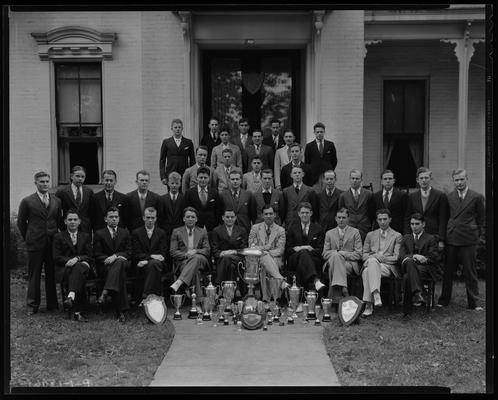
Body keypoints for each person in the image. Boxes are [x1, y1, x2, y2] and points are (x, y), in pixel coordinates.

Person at [437, 169, 485, 310]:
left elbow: (481, 219)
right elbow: (444, 218)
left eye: (461, 179)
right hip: (452, 237)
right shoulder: (449, 197)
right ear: (453, 181)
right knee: (448, 270)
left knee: (470, 271)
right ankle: (444, 300)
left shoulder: (476, 197)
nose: (459, 182)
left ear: (466, 179)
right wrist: (443, 238)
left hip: (468, 238)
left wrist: (477, 234)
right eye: (456, 180)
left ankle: (474, 302)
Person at [17, 171, 62, 315]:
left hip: (52, 242)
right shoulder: (27, 201)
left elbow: (58, 221)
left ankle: (52, 305)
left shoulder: (56, 201)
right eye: (41, 181)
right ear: (35, 183)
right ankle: (32, 305)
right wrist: (29, 237)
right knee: (34, 274)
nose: (45, 184)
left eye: (47, 181)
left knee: (51, 274)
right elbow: (21, 223)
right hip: (35, 243)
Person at [53, 209, 95, 322]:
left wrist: (77, 259)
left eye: (75, 219)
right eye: (70, 219)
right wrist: (70, 261)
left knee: (78, 268)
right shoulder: (58, 236)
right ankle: (78, 311)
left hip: (84, 268)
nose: (72, 222)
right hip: (66, 269)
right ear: (65, 221)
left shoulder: (85, 236)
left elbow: (90, 256)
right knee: (77, 270)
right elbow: (56, 257)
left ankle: (71, 296)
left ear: (79, 222)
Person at [360, 209, 402, 317]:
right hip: (372, 262)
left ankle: (369, 305)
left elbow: (396, 257)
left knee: (367, 271)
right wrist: (374, 256)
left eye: (385, 219)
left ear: (390, 220)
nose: (382, 222)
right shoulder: (370, 235)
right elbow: (364, 255)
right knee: (371, 264)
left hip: (387, 266)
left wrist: (381, 258)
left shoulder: (397, 235)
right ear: (377, 221)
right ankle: (376, 294)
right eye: (380, 219)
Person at [93, 206, 131, 323]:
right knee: (119, 275)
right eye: (111, 217)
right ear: (105, 219)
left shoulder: (124, 232)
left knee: (119, 262)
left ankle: (105, 292)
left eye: (116, 217)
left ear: (119, 219)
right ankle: (121, 311)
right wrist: (108, 259)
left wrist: (115, 256)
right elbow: (97, 254)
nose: (114, 219)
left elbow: (129, 252)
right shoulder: (99, 233)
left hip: (124, 263)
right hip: (106, 266)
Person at [399, 213, 440, 316]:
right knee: (409, 261)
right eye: (412, 224)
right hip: (407, 264)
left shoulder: (431, 238)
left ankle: (407, 310)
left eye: (417, 224)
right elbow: (401, 256)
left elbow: (434, 257)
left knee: (407, 276)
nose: (414, 226)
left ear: (423, 224)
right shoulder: (406, 238)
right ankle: (418, 292)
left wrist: (424, 258)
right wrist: (414, 256)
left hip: (424, 268)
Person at [248, 205, 289, 302]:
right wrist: (264, 249)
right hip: (257, 259)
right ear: (262, 215)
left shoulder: (280, 230)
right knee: (263, 262)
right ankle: (276, 296)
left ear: (275, 215)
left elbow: (280, 250)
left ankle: (266, 299)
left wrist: (265, 252)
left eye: (271, 214)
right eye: (266, 214)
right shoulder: (255, 228)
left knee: (265, 262)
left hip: (276, 258)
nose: (268, 216)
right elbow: (251, 246)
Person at [322, 208, 363, 306]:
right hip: (332, 262)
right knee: (336, 257)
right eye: (339, 217)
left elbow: (358, 254)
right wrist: (337, 253)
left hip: (349, 264)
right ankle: (344, 289)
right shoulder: (329, 233)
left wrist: (341, 254)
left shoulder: (355, 232)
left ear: (348, 219)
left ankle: (335, 297)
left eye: (343, 218)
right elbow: (324, 254)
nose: (341, 220)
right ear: (335, 219)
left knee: (336, 258)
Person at [285, 202, 326, 296]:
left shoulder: (318, 228)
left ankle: (300, 299)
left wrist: (308, 250)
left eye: (307, 212)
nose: (304, 215)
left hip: (313, 259)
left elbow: (320, 250)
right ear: (298, 214)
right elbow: (288, 249)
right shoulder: (292, 228)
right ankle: (315, 280)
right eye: (302, 212)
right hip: (294, 258)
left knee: (303, 258)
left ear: (311, 213)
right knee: (303, 253)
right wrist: (303, 248)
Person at [169, 207, 211, 298]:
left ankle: (180, 281)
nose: (190, 219)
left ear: (196, 219)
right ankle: (197, 302)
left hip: (201, 261)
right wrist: (186, 255)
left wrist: (195, 251)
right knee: (195, 271)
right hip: (183, 261)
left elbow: (207, 250)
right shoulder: (176, 232)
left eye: (193, 217)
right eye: (188, 217)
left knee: (196, 257)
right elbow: (173, 251)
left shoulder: (202, 232)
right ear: (184, 219)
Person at [405, 167, 449, 253]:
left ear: (430, 179)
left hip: (434, 236)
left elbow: (443, 219)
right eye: (421, 178)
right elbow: (407, 217)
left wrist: (441, 239)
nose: (424, 180)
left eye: (426, 178)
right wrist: (407, 236)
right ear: (417, 180)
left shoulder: (440, 195)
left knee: (432, 262)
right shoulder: (412, 196)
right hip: (416, 236)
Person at [131, 207, 168, 304]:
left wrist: (147, 260)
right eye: (148, 217)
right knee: (153, 265)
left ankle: (145, 297)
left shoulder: (161, 233)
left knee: (154, 264)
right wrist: (151, 257)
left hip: (156, 263)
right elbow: (136, 253)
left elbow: (162, 253)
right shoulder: (136, 233)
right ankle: (157, 298)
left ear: (156, 218)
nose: (150, 220)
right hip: (140, 264)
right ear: (143, 218)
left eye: (152, 218)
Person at [210, 209, 248, 285]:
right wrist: (222, 254)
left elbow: (244, 249)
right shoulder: (216, 230)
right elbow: (214, 249)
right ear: (223, 218)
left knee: (227, 258)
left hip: (238, 258)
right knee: (231, 266)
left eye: (232, 217)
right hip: (222, 258)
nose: (230, 219)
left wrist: (234, 251)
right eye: (227, 217)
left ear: (235, 218)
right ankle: (232, 293)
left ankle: (217, 284)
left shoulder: (242, 230)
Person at [338, 169, 376, 242]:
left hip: (365, 228)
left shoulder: (369, 194)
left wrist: (370, 227)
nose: (354, 180)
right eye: (353, 178)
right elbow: (341, 214)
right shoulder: (343, 196)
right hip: (349, 229)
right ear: (349, 179)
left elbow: (372, 213)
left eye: (357, 178)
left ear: (361, 180)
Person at [55, 165, 94, 234]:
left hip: (85, 228)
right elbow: (57, 211)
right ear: (71, 176)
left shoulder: (89, 192)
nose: (80, 179)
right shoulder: (62, 191)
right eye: (77, 176)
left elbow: (91, 211)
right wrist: (62, 225)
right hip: (67, 227)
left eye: (82, 177)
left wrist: (89, 224)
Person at [183, 166, 222, 232]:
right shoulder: (189, 193)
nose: (203, 180)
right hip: (194, 227)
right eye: (201, 177)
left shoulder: (214, 192)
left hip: (211, 228)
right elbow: (185, 210)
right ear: (197, 178)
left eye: (205, 178)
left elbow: (218, 211)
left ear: (209, 178)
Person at [159, 118, 195, 188]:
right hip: (170, 173)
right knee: (171, 196)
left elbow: (192, 160)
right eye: (175, 127)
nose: (177, 129)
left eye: (179, 127)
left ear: (182, 128)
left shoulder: (188, 142)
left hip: (184, 174)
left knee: (184, 195)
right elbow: (162, 160)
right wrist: (163, 176)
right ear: (171, 128)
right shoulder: (166, 142)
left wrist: (191, 175)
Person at [220, 169, 257, 236]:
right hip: (228, 230)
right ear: (229, 181)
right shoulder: (222, 195)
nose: (235, 181)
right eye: (233, 179)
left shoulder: (248, 195)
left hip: (245, 228)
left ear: (241, 181)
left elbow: (253, 214)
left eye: (237, 179)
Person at [304, 122, 337, 191]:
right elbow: (307, 162)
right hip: (314, 177)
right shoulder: (309, 146)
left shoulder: (330, 145)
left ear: (324, 132)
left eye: (321, 132)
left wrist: (329, 170)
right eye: (317, 132)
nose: (319, 133)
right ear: (314, 132)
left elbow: (334, 160)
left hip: (327, 176)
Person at [281, 165, 318, 229]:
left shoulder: (310, 191)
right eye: (295, 173)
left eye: (299, 173)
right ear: (291, 175)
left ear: (303, 174)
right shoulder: (285, 191)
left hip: (305, 223)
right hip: (290, 223)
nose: (297, 175)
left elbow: (314, 209)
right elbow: (283, 210)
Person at [373, 169, 408, 235]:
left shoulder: (402, 195)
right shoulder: (375, 196)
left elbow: (406, 216)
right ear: (381, 181)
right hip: (380, 232)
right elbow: (373, 215)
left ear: (394, 181)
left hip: (397, 232)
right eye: (385, 179)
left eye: (390, 178)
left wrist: (405, 233)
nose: (388, 181)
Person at [158, 171, 185, 241]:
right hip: (165, 232)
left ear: (180, 184)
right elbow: (160, 217)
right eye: (172, 183)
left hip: (180, 233)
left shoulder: (184, 199)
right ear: (168, 183)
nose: (174, 185)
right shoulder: (162, 199)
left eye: (176, 183)